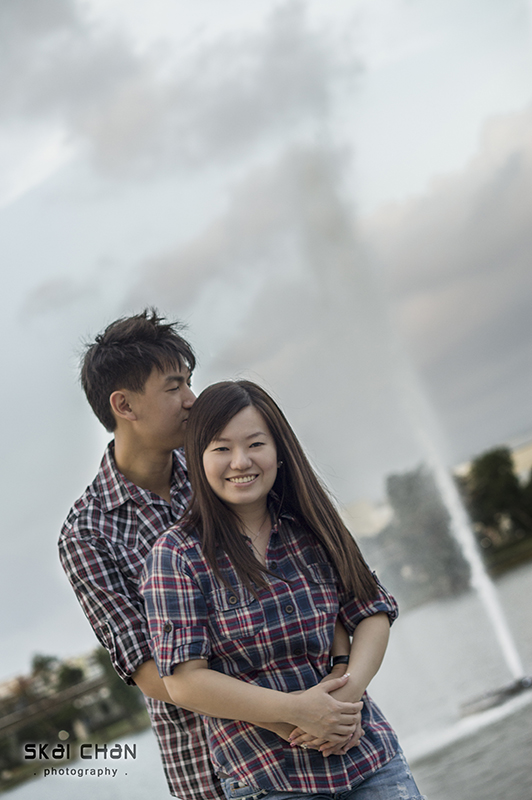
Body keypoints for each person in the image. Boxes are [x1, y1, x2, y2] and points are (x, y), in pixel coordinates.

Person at [141, 380, 426, 800]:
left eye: (255, 444)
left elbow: (372, 612)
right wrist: (298, 712)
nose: (241, 461)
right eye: (221, 448)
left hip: (367, 759)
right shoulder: (176, 555)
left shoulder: (312, 525)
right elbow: (185, 682)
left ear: (278, 451)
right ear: (197, 459)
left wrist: (345, 698)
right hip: (268, 779)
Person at [58, 309, 225, 800]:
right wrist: (283, 713)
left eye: (189, 382)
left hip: (311, 730)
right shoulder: (87, 534)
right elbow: (150, 673)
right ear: (124, 405)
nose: (192, 399)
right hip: (211, 764)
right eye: (175, 387)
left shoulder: (219, 469)